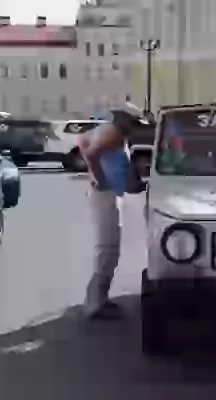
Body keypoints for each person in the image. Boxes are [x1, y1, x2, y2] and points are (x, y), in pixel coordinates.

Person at [79, 103, 149, 320]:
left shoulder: (106, 130)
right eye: (134, 122)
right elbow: (91, 153)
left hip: (107, 192)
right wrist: (100, 179)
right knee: (108, 248)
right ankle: (95, 304)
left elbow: (82, 142)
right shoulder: (113, 134)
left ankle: (98, 299)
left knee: (108, 247)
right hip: (105, 193)